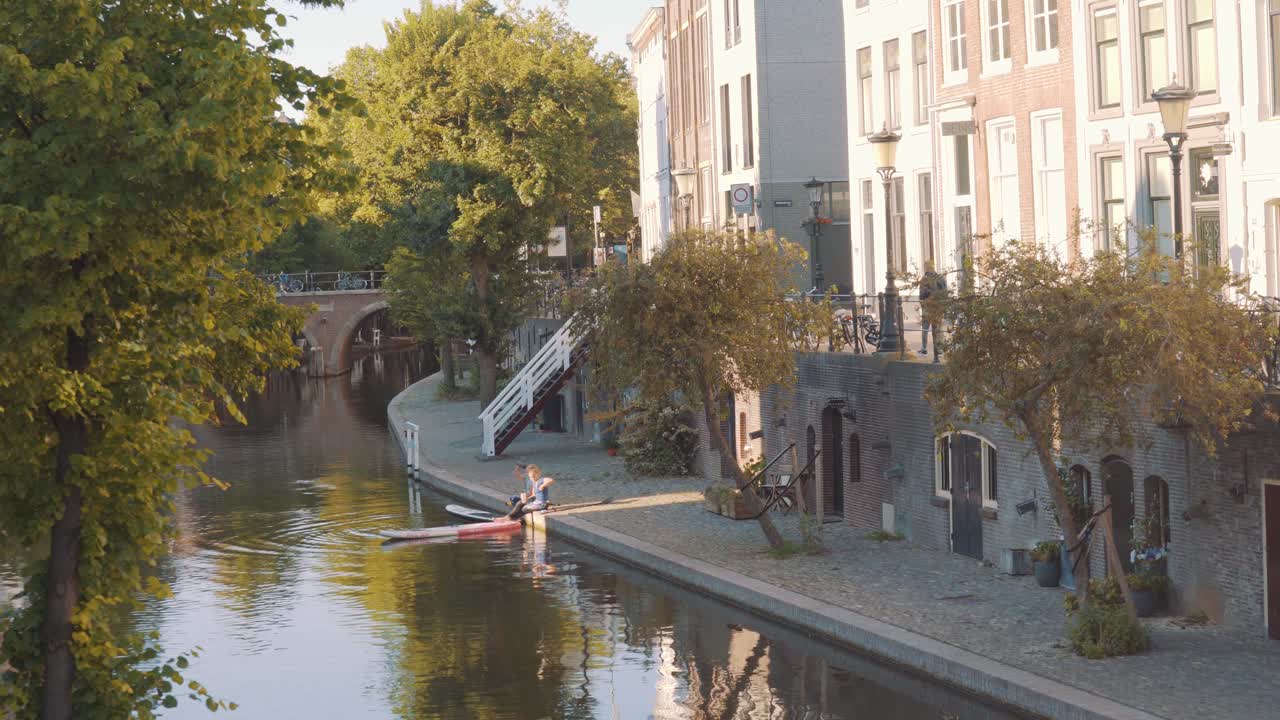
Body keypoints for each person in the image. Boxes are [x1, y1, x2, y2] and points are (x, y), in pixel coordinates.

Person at [918, 261, 947, 362]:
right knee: (937, 328)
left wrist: (923, 303)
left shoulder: (925, 280)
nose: (925, 269)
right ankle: (937, 349)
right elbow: (945, 292)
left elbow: (921, 295)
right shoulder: (940, 278)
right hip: (935, 307)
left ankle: (927, 348)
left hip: (930, 307)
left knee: (929, 328)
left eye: (926, 267)